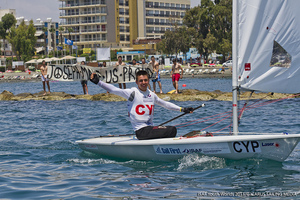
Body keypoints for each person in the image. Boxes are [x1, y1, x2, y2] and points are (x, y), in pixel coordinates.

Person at [90, 70, 193, 140]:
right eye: (141, 81)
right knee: (172, 130)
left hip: (150, 129)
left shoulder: (151, 95)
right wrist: (98, 82)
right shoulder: (132, 93)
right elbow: (114, 89)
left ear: (148, 81)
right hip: (141, 131)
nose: (143, 83)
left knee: (170, 130)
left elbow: (165, 104)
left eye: (145, 80)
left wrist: (182, 109)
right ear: (136, 82)